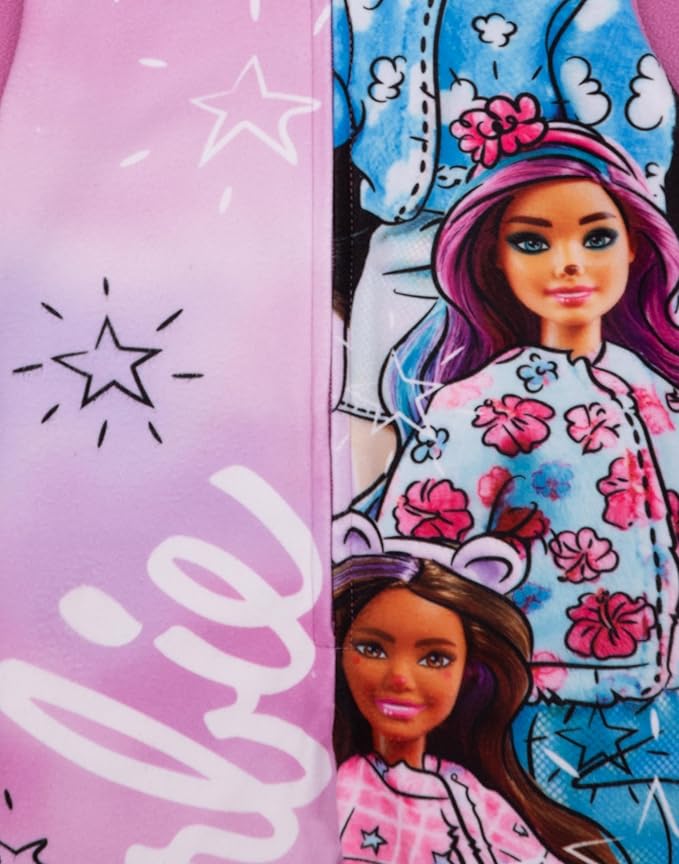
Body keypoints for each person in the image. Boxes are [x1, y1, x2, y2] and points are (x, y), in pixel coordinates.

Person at [375, 100, 679, 862]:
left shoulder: (657, 390)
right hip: (543, 710)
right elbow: (415, 568)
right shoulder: (480, 405)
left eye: (595, 236)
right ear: (494, 259)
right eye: (531, 241)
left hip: (666, 707)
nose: (568, 263)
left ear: (635, 245)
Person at [333, 553, 624, 863]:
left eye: (435, 658)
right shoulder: (348, 790)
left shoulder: (465, 787)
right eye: (372, 649)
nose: (400, 678)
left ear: (468, 672)